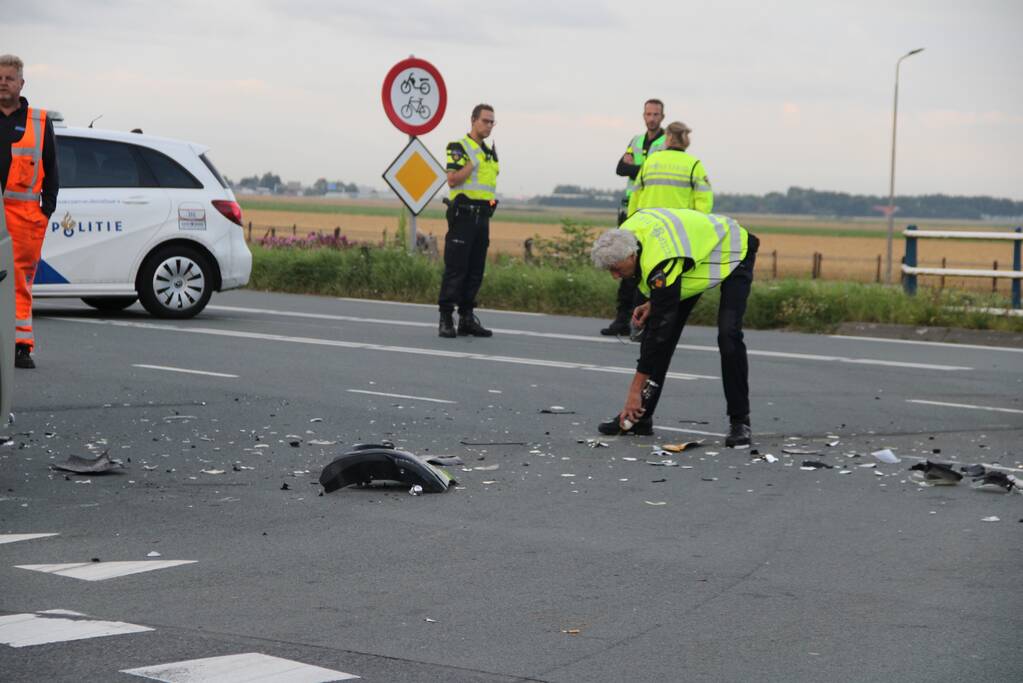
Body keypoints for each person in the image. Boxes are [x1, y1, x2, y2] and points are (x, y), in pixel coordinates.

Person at [590, 208, 760, 447]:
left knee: (728, 334)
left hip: (732, 250)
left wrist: (634, 392)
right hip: (690, 257)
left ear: (632, 255)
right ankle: (640, 417)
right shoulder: (627, 232)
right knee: (659, 336)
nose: (615, 276)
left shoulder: (660, 262)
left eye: (616, 269)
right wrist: (656, 302)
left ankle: (740, 421)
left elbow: (659, 333)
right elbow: (663, 305)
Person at [0, 54, 59, 370]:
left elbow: (52, 171)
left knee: (19, 283)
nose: (3, 83)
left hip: (23, 217)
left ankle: (20, 346)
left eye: (9, 78)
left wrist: (44, 213)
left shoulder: (39, 121)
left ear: (21, 83)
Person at [601, 98, 666, 337]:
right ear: (643, 116)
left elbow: (656, 173)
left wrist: (636, 167)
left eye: (656, 114)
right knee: (624, 265)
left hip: (653, 214)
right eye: (648, 114)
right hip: (630, 212)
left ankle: (645, 321)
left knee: (649, 268)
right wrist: (645, 168)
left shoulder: (667, 142)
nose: (652, 118)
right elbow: (620, 168)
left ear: (662, 117)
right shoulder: (636, 141)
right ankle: (621, 320)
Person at [437, 104, 499, 338]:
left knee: (475, 271)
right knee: (456, 269)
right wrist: (473, 163)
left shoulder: (490, 152)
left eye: (492, 122)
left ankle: (466, 318)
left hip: (482, 218)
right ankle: (445, 318)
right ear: (473, 120)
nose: (489, 125)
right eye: (485, 121)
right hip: (463, 216)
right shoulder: (459, 147)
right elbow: (452, 180)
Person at [626, 121, 712, 216]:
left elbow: (635, 195)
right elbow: (704, 200)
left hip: (648, 221)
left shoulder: (650, 160)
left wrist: (631, 219)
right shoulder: (694, 164)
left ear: (668, 137)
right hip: (679, 223)